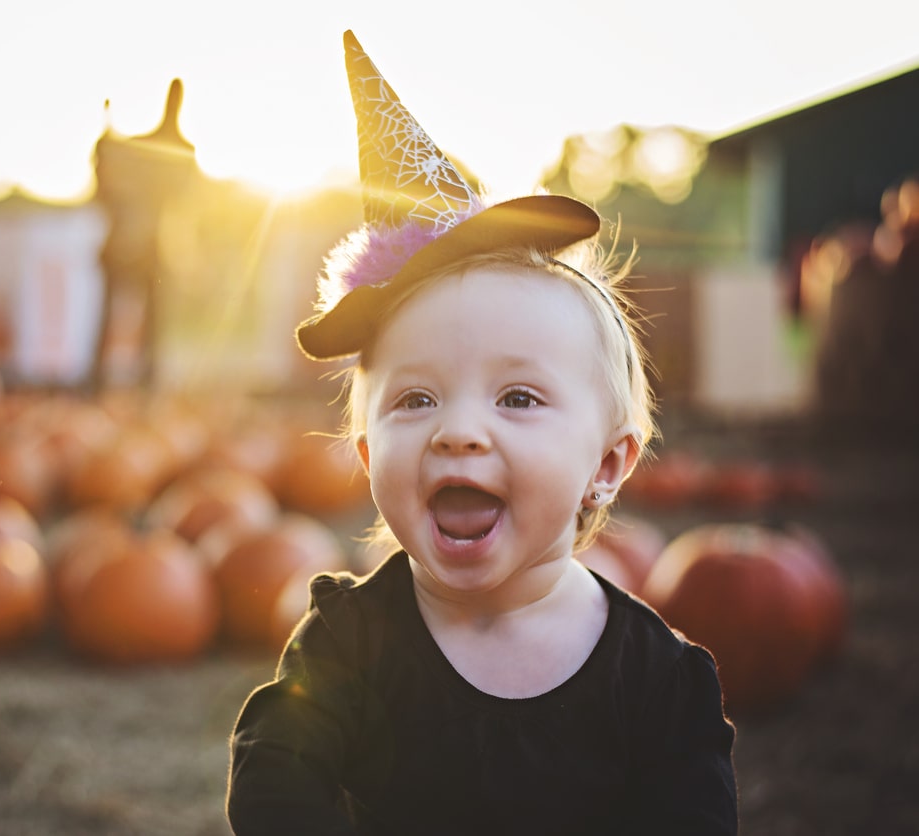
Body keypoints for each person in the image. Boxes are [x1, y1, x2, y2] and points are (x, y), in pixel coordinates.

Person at [227, 30, 738, 835]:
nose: (458, 432)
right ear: (367, 457)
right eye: (416, 400)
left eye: (520, 398)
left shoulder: (658, 684)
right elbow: (272, 779)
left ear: (606, 465)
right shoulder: (347, 644)